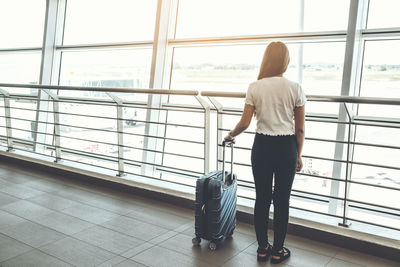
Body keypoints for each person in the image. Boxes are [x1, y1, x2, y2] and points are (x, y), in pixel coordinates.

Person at [224, 41, 306, 264]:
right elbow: (299, 129)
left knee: (262, 199)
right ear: (285, 61)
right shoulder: (295, 88)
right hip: (286, 147)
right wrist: (298, 154)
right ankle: (278, 251)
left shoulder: (255, 87)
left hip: (262, 147)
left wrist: (230, 135)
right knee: (282, 201)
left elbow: (244, 123)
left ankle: (262, 249)